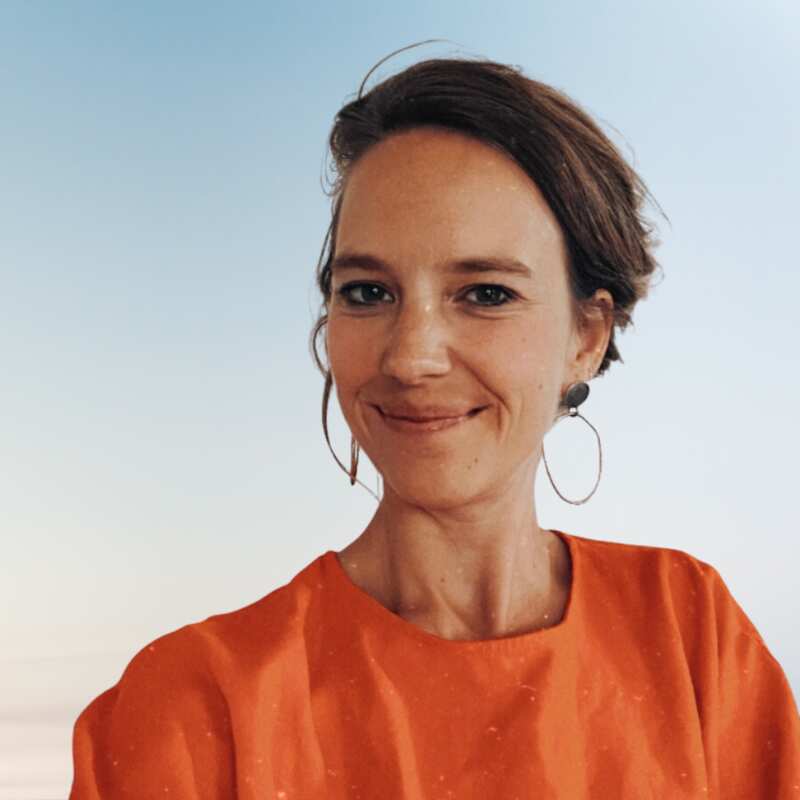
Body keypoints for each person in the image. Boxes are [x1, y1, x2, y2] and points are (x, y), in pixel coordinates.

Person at [69, 45, 800, 798]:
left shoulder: (690, 640)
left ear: (587, 336)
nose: (412, 357)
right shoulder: (195, 706)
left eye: (484, 293)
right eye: (367, 292)